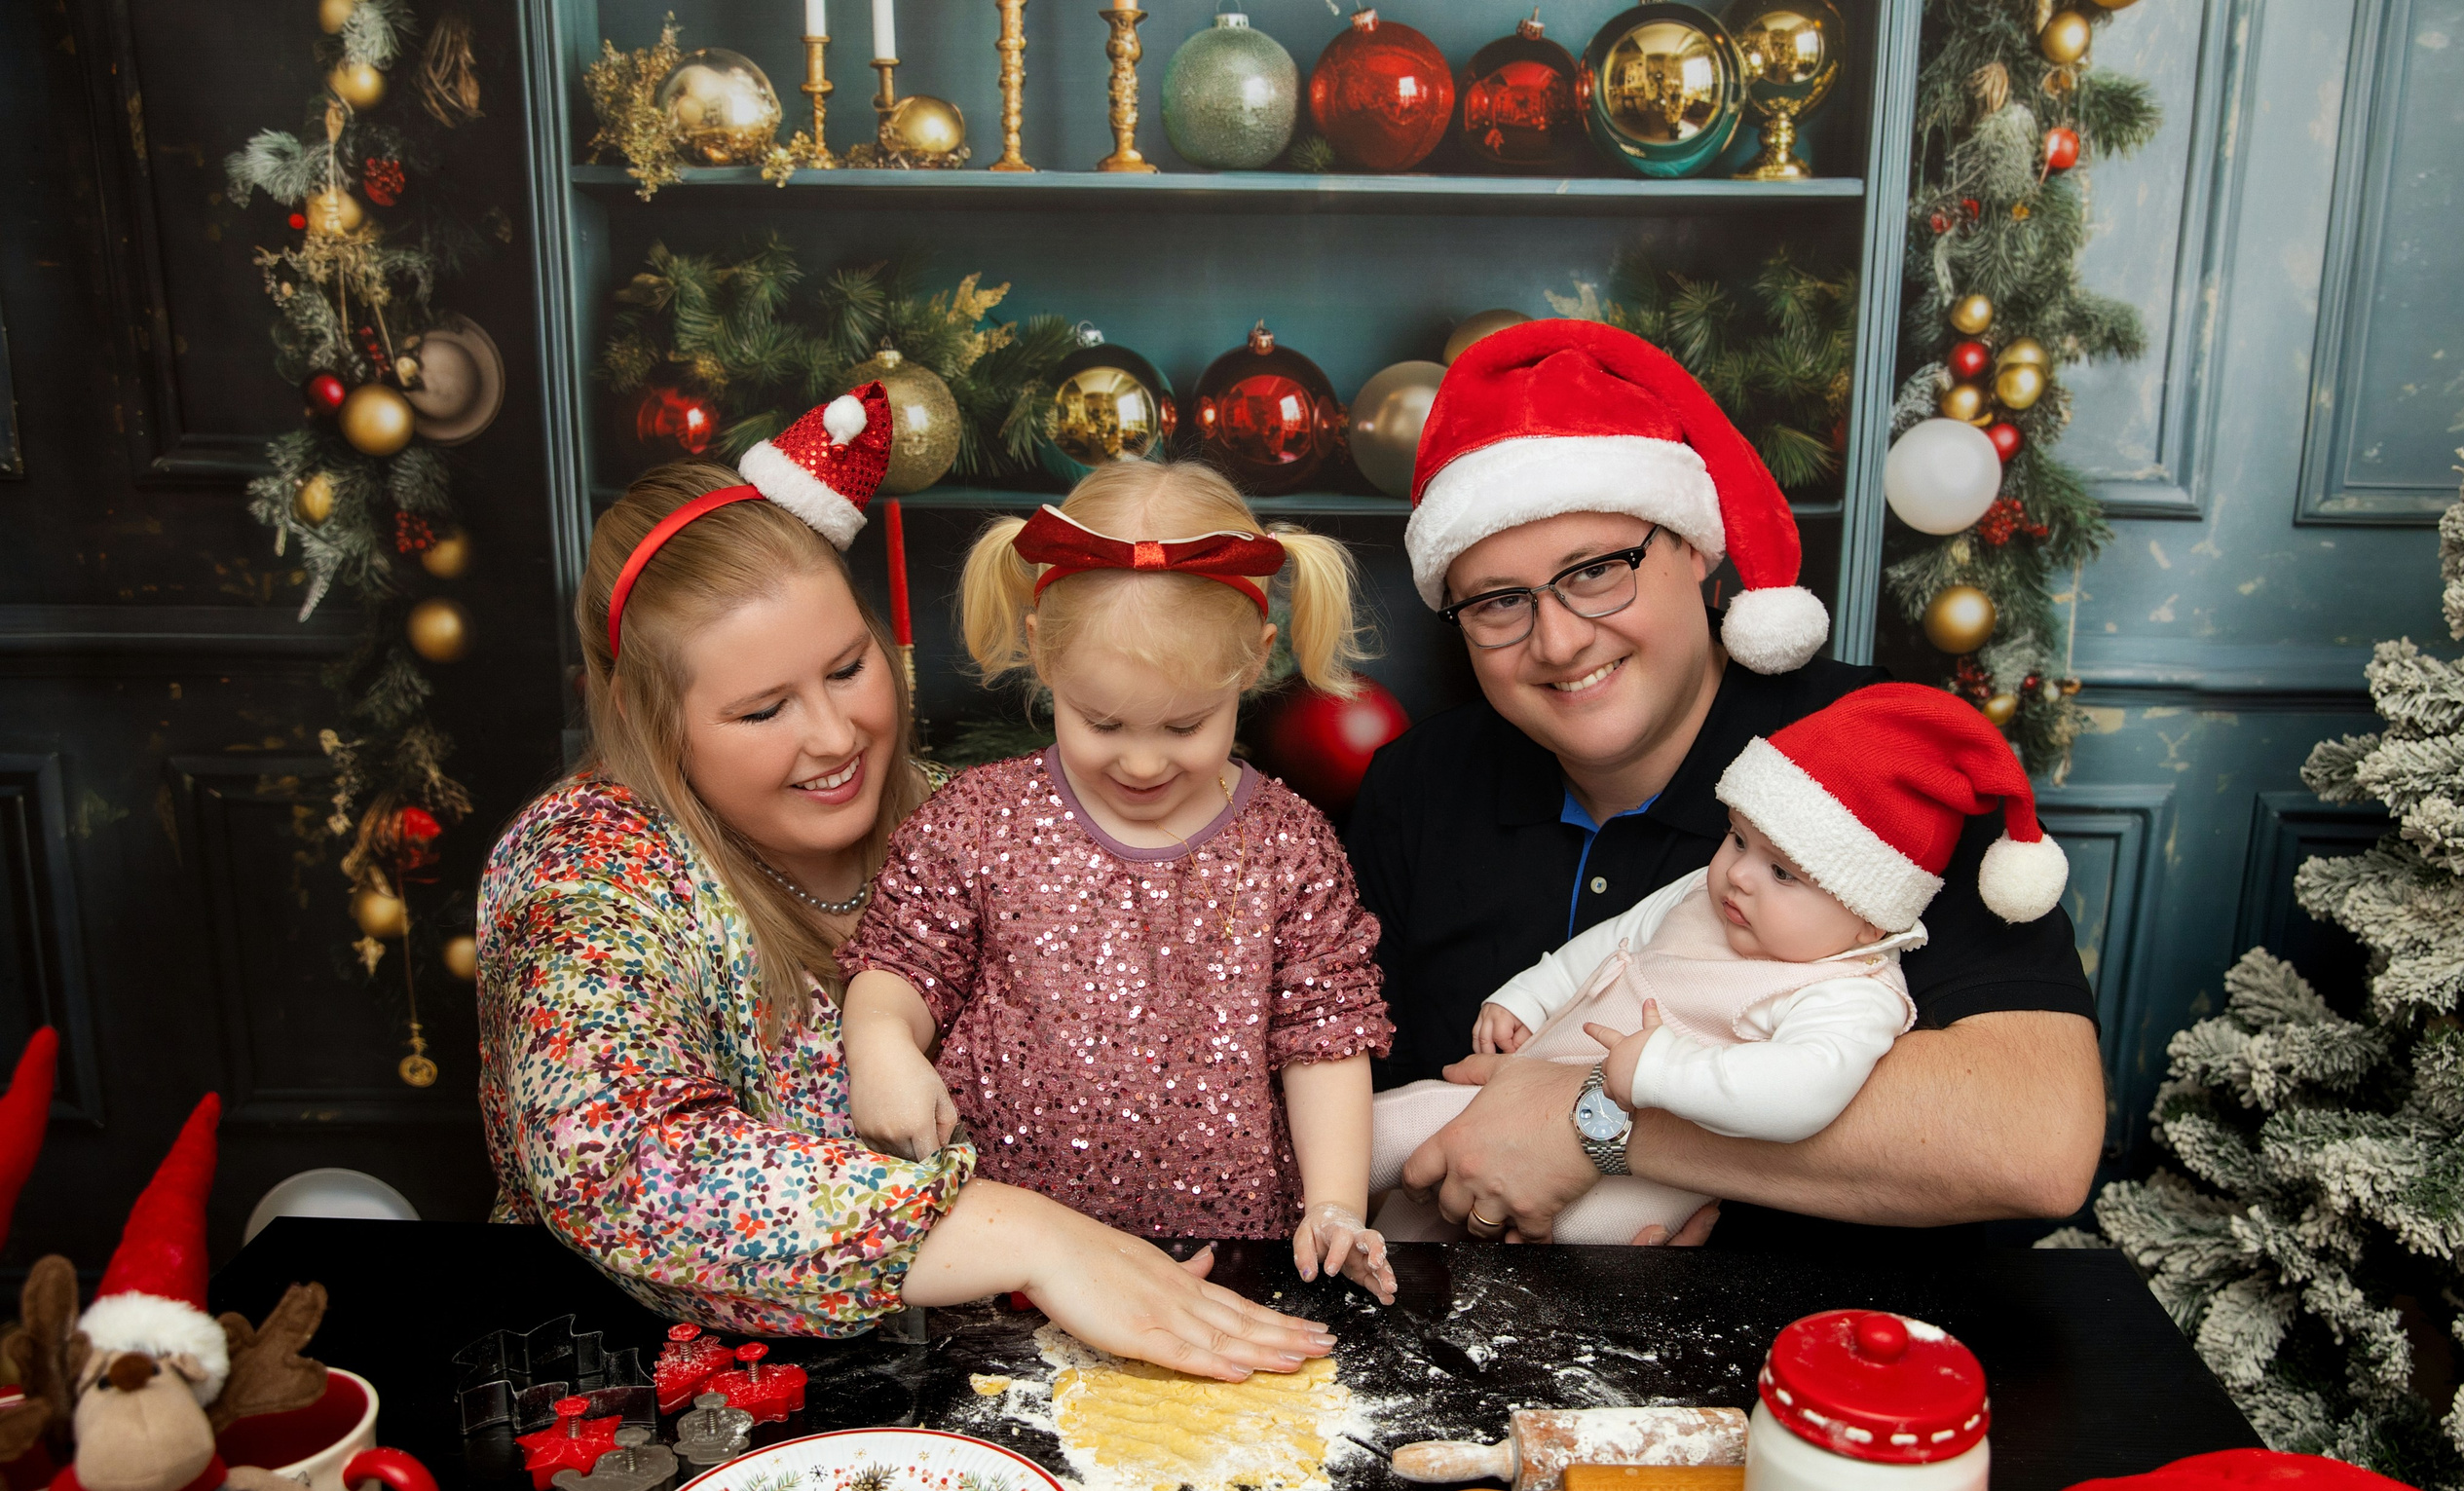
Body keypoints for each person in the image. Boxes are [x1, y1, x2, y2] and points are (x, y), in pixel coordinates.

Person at [477, 390, 1331, 1381]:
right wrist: (1031, 1235)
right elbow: (613, 1163)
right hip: (638, 1376)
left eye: (847, 669)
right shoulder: (590, 868)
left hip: (962, 1366)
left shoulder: (964, 818)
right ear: (646, 715)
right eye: (762, 712)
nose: (835, 740)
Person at [1349, 319, 2105, 1249]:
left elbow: (2035, 1139)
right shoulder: (1419, 788)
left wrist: (1596, 1126)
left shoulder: (1879, 763)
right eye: (1500, 601)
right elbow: (1338, 1100)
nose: (1557, 641)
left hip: (1804, 1359)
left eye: (1596, 571)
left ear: (1700, 551)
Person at [836, 460, 1399, 1303]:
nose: (1140, 760)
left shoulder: (1289, 847)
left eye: (1185, 724)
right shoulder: (978, 821)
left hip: (1232, 1259)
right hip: (1006, 1265)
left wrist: (1335, 1203)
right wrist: (877, 1044)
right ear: (1041, 654)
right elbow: (902, 966)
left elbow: (1323, 1039)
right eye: (1101, 721)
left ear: (1252, 666)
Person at [1368, 682, 2070, 1243]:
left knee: (1575, 1248)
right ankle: (1331, 1224)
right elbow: (1612, 938)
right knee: (1403, 1123)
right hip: (1516, 1094)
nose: (1739, 875)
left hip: (1630, 1186)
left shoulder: (1849, 990)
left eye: (1785, 874)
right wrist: (1527, 996)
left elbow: (1803, 1091)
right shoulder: (1716, 894)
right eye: (1737, 839)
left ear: (1869, 914)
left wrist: (1657, 1072)